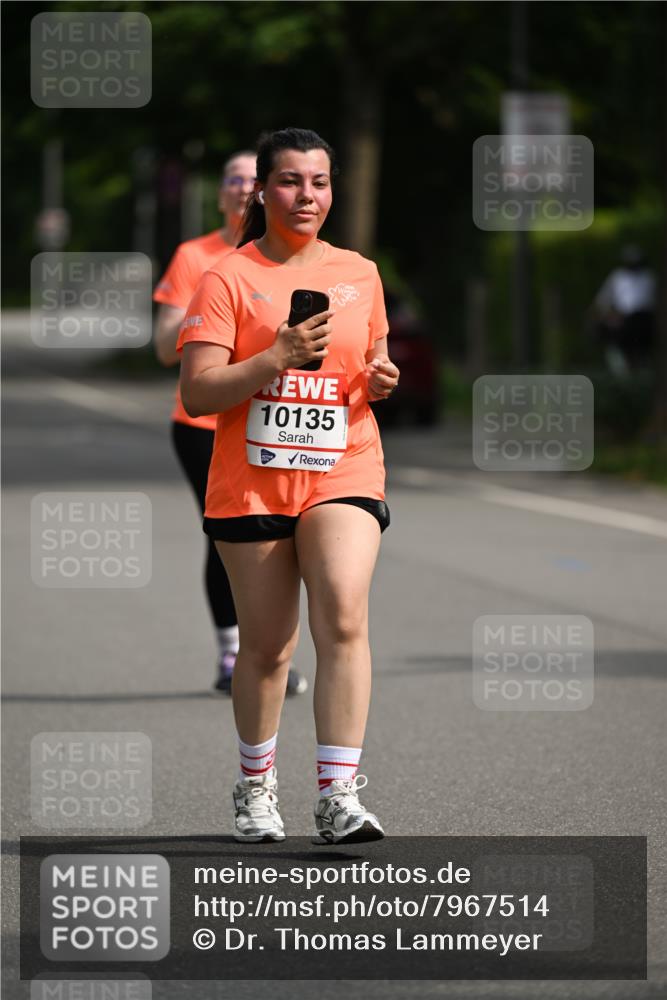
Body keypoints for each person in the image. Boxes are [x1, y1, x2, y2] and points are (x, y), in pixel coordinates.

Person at [178, 127, 400, 844]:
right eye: (290, 181)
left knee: (342, 613)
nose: (307, 196)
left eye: (320, 182)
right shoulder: (226, 277)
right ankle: (254, 788)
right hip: (252, 481)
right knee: (268, 649)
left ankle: (337, 795)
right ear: (263, 191)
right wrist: (273, 358)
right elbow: (200, 393)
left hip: (344, 465)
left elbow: (371, 357)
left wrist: (380, 377)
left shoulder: (359, 271)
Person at [153, 151, 308, 696]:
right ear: (223, 193)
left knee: (285, 533)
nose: (244, 187)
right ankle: (232, 652)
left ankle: (268, 650)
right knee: (226, 534)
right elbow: (162, 346)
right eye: (234, 179)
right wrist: (213, 313)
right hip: (203, 424)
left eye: (252, 178)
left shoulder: (292, 256)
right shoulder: (197, 257)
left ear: (265, 190)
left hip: (275, 420)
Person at [592, 244, 656, 374]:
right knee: (608, 336)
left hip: (645, 320)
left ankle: (643, 368)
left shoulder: (649, 277)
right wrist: (609, 316)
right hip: (625, 320)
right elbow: (602, 302)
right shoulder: (618, 277)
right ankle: (621, 372)